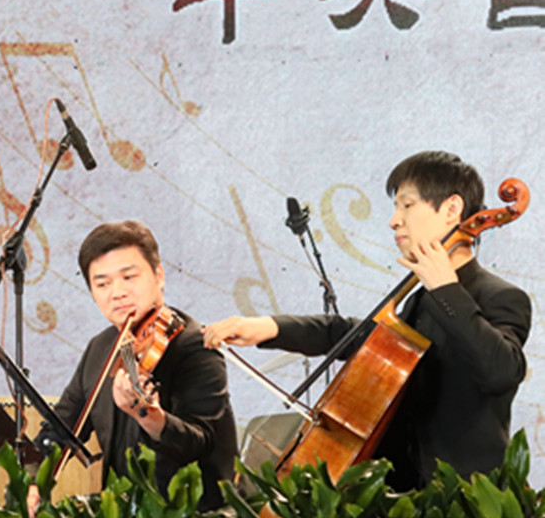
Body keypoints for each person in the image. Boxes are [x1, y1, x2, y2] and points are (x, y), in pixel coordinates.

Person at [203, 151, 530, 489]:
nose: (394, 221)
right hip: (395, 499)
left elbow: (502, 372)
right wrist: (268, 327)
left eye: (407, 205)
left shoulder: (501, 297)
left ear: (451, 209)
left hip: (462, 504)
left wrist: (446, 289)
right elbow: (353, 335)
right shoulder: (417, 299)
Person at [52, 221, 238, 506]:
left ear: (159, 276)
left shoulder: (195, 345)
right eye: (102, 284)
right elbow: (61, 427)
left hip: (192, 516)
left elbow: (200, 443)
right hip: (123, 513)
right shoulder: (101, 348)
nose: (117, 292)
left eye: (129, 277)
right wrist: (35, 482)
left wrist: (149, 416)